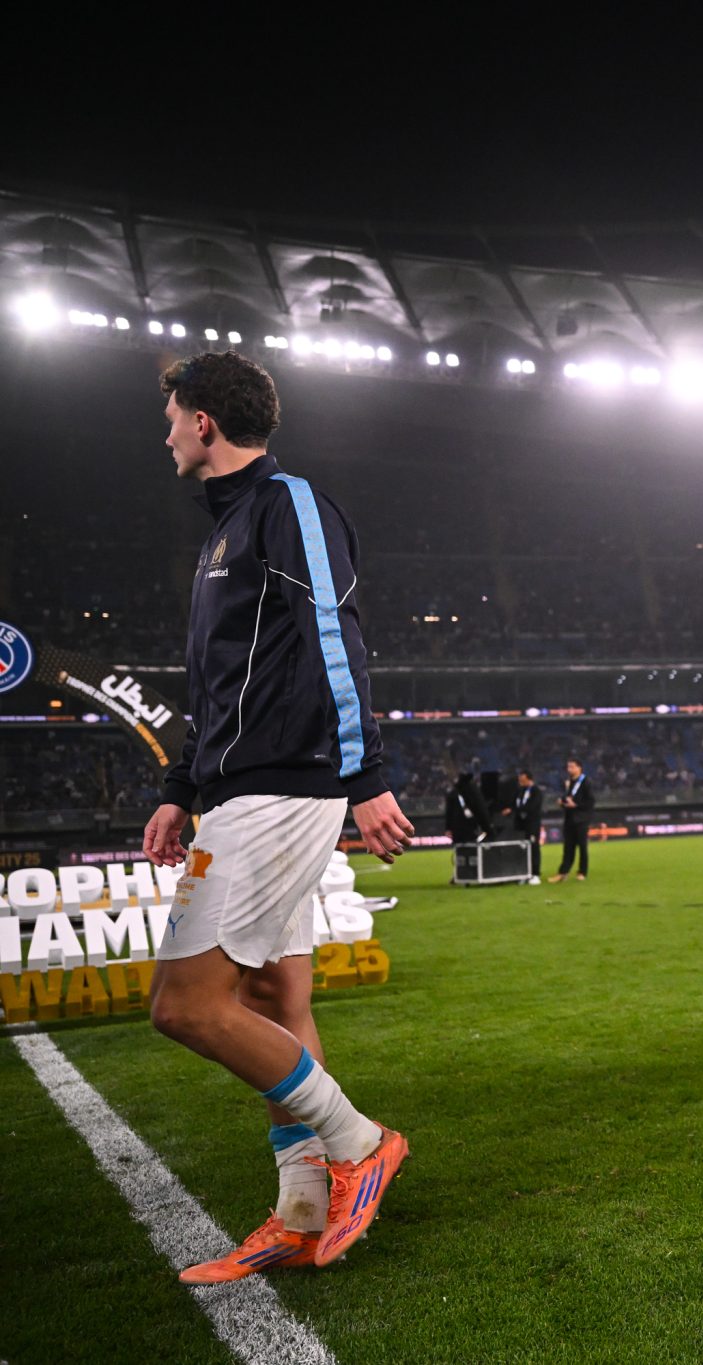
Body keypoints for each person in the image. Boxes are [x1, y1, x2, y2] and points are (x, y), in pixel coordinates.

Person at [140, 350, 412, 1283]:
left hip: (284, 787)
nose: (167, 429)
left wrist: (368, 771)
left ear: (206, 422)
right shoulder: (222, 535)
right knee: (273, 1001)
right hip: (240, 785)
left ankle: (360, 1142)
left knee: (184, 1003)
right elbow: (217, 687)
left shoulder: (284, 499)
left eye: (174, 414)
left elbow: (333, 633)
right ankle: (300, 1209)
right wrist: (180, 785)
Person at [549, 759, 594, 882]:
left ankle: (582, 872)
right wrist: (562, 802)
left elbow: (590, 802)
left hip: (581, 820)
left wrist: (576, 805)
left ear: (579, 768)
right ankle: (563, 872)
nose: (569, 769)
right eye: (568, 767)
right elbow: (568, 799)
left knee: (582, 847)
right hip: (569, 819)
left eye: (572, 767)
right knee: (568, 847)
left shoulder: (586, 782)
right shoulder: (570, 782)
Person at [504, 769, 544, 883]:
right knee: (521, 848)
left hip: (532, 824)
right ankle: (524, 873)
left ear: (528, 779)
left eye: (522, 779)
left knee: (533, 848)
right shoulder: (520, 791)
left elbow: (531, 807)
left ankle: (535, 874)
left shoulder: (536, 791)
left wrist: (514, 810)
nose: (520, 781)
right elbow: (515, 803)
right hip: (520, 825)